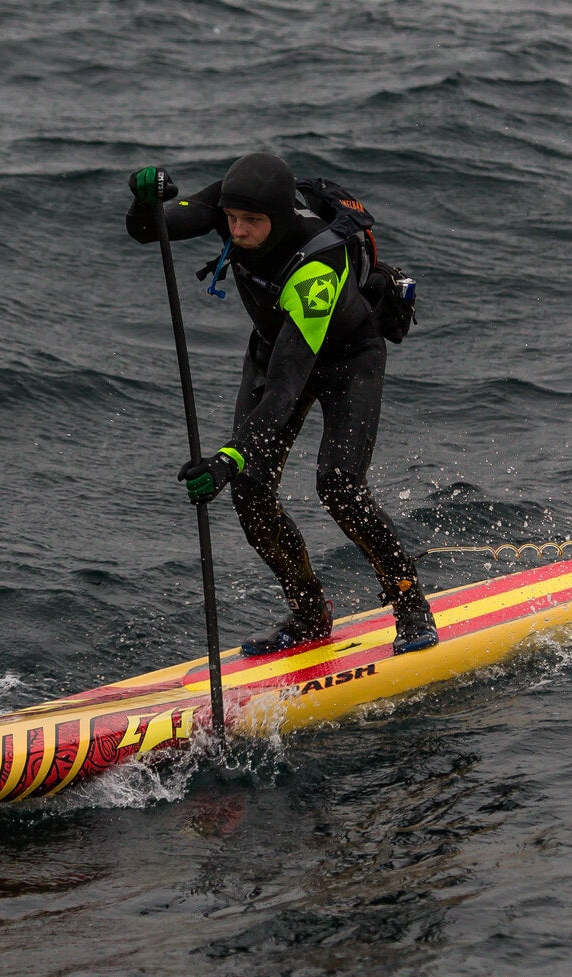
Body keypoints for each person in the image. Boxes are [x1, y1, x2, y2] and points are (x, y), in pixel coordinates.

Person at [124, 153, 439, 656]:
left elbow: (284, 391)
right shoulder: (234, 206)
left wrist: (226, 457)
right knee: (250, 489)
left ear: (280, 217)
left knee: (338, 484)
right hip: (275, 346)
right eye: (231, 220)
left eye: (252, 222)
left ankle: (409, 602)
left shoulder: (316, 267)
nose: (239, 231)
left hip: (346, 358)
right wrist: (145, 202)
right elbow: (151, 230)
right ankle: (310, 614)